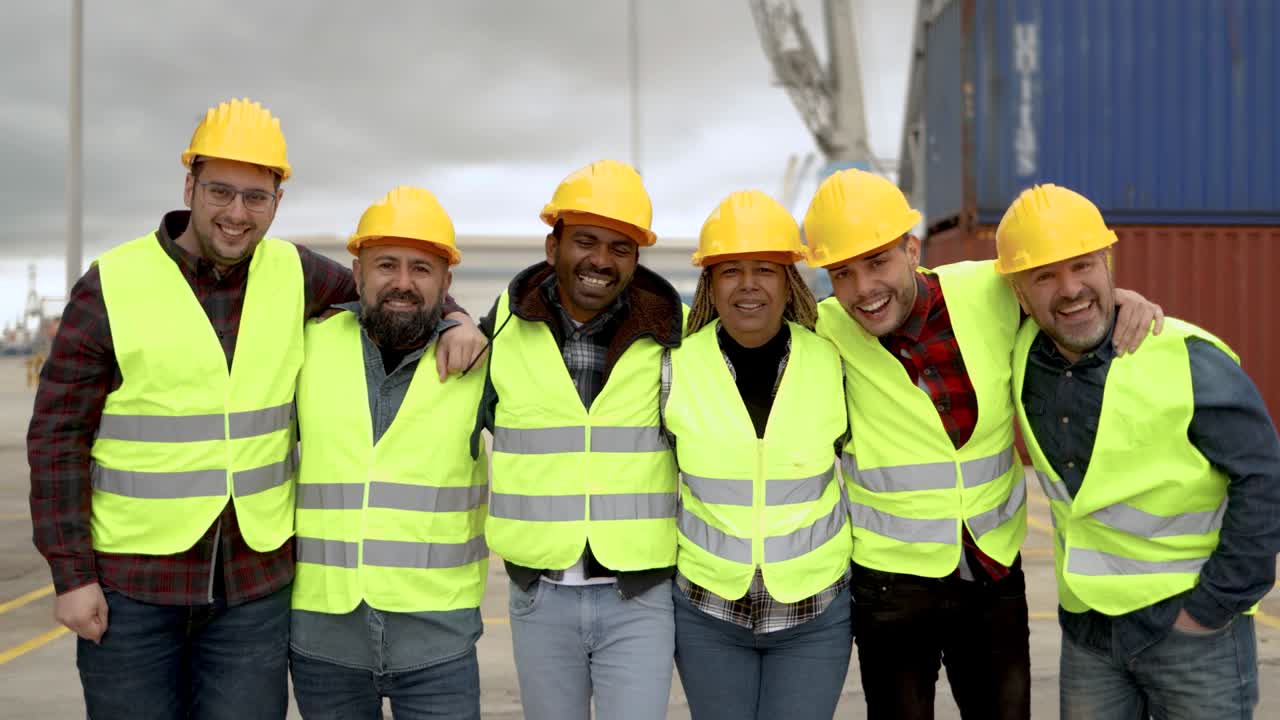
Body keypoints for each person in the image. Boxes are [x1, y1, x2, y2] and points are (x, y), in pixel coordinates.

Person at [26, 98, 482, 719]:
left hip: (252, 590)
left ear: (276, 201)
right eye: (220, 191)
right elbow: (57, 437)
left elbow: (394, 291)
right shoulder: (112, 283)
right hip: (134, 586)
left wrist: (456, 319)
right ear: (189, 187)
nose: (237, 213)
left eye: (256, 197)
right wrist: (72, 574)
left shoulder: (295, 272)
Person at [803, 169, 1162, 720]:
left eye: (877, 262)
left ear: (912, 249)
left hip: (992, 571)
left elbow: (1064, 300)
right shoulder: (823, 329)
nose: (863, 289)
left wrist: (1127, 299)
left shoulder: (987, 290)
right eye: (842, 273)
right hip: (889, 587)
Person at [997, 183, 1280, 719]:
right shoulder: (1018, 352)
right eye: (1044, 276)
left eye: (1083, 265)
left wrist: (1213, 607)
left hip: (1192, 632)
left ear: (1108, 262)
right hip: (1089, 634)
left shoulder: (1188, 358)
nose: (1070, 288)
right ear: (1018, 292)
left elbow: (1265, 479)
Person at [475, 159, 684, 720]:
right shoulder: (499, 331)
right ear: (553, 247)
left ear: (636, 259)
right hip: (540, 594)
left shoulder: (676, 336)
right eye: (585, 241)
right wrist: (452, 321)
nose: (601, 260)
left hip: (638, 597)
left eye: (620, 248)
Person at [288, 187, 489, 719]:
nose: (402, 282)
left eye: (421, 268)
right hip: (324, 642)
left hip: (438, 642)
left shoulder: (480, 363)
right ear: (357, 274)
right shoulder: (306, 347)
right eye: (386, 265)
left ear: (446, 283)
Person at [663, 190, 852, 719]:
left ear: (789, 281)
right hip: (708, 611)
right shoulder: (674, 365)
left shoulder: (834, 360)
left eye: (765, 269)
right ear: (710, 283)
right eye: (731, 271)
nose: (748, 285)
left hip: (814, 612)